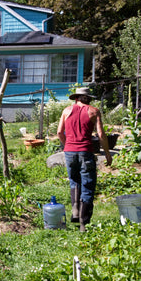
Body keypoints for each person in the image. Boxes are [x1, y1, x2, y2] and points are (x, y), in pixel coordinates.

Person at [56, 86, 112, 231]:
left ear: (76, 98)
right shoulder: (94, 111)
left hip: (69, 151)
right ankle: (83, 223)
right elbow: (101, 134)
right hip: (86, 151)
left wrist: (66, 145)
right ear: (88, 99)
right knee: (88, 184)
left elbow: (59, 132)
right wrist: (107, 153)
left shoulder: (66, 111)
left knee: (74, 181)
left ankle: (75, 209)